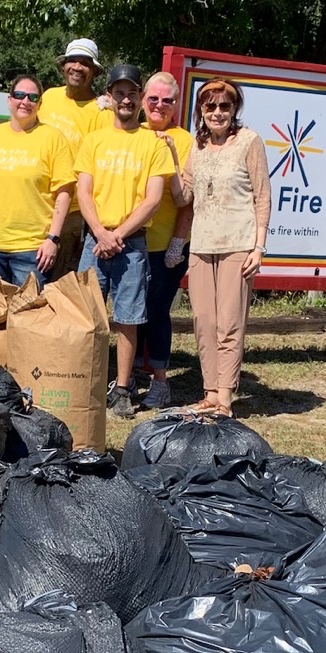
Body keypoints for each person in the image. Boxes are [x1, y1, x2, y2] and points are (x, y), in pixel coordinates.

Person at [74, 63, 177, 419]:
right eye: (119, 92)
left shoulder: (153, 143)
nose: (126, 99)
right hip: (94, 240)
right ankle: (86, 381)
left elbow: (152, 200)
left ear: (140, 98)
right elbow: (83, 191)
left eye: (132, 93)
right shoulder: (94, 140)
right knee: (87, 315)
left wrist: (116, 235)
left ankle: (121, 388)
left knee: (128, 318)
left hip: (132, 244)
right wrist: (101, 233)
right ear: (110, 96)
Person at [179, 78, 270, 415]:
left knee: (229, 321)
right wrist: (167, 162)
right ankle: (209, 392)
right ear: (201, 111)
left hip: (238, 244)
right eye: (210, 106)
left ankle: (225, 397)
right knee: (204, 321)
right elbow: (185, 196)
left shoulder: (249, 141)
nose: (217, 112)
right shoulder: (197, 147)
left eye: (225, 106)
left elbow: (262, 196)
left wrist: (258, 247)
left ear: (235, 110)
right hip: (202, 244)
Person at [0, 76, 75, 287]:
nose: (25, 101)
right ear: (9, 99)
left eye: (33, 97)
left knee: (28, 317)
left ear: (40, 103)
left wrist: (53, 239)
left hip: (33, 250)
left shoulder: (53, 138)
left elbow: (65, 192)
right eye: (19, 95)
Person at [135, 70, 193, 410]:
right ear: (143, 100)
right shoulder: (130, 131)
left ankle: (160, 382)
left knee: (157, 311)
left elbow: (189, 198)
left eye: (167, 100)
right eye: (153, 99)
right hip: (131, 241)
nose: (159, 105)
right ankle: (130, 376)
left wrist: (178, 243)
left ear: (176, 104)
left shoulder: (184, 140)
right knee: (131, 312)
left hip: (164, 244)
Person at [39, 39, 105, 274]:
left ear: (94, 71)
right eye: (72, 61)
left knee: (59, 283)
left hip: (73, 212)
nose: (77, 67)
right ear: (63, 66)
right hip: (36, 204)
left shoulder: (101, 111)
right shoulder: (48, 97)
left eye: (85, 63)